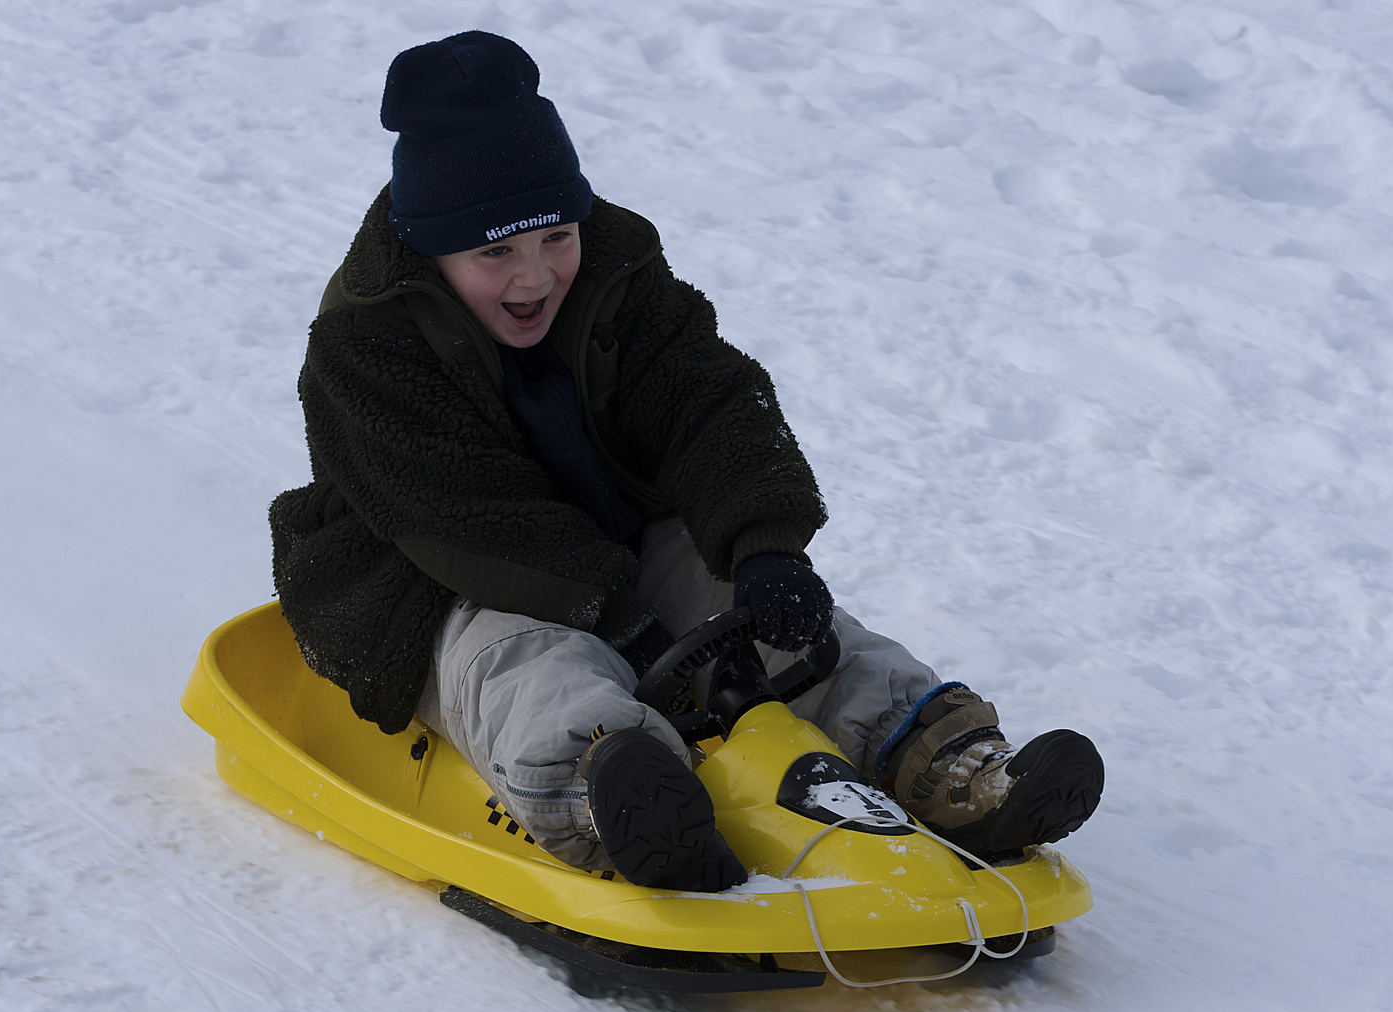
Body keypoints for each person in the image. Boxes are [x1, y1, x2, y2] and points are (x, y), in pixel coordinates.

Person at [270, 30, 1103, 893]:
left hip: (612, 532)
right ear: (430, 250)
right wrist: (607, 610)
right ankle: (613, 791)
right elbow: (457, 514)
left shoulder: (621, 277)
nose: (535, 277)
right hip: (427, 576)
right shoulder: (363, 342)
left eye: (555, 237)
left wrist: (765, 548)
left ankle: (949, 763)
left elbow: (709, 404)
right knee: (530, 660)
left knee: (761, 622)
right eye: (495, 253)